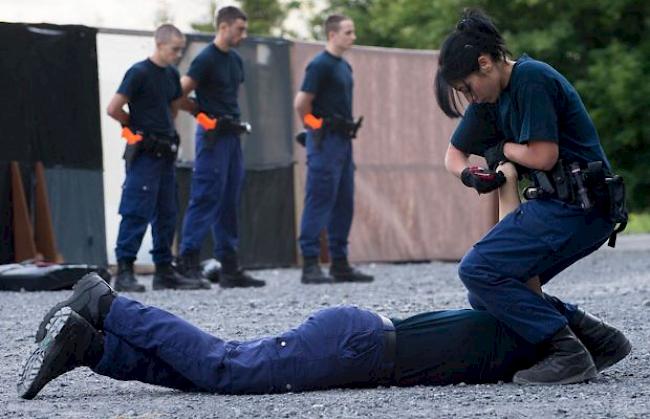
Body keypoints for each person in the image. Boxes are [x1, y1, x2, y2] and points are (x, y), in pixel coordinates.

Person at [19, 273, 630, 399]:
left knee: (205, 378)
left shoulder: (518, 318)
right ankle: (108, 305)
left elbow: (599, 341)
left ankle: (91, 347)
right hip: (357, 348)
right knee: (224, 366)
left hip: (358, 341)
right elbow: (595, 342)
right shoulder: (525, 327)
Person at [435, 9, 630, 385]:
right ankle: (599, 340)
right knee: (488, 293)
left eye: (467, 87)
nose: (468, 98)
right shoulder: (489, 101)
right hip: (559, 205)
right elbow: (452, 155)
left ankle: (567, 354)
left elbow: (543, 156)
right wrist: (469, 174)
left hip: (581, 206)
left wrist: (502, 149)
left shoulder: (531, 78)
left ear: (485, 63)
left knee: (478, 269)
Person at [106, 24, 207, 292]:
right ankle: (125, 270)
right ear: (159, 44)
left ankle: (164, 270)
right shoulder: (138, 72)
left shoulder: (172, 75)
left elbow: (173, 108)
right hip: (145, 155)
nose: (178, 54)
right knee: (136, 210)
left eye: (180, 49)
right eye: (175, 49)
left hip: (166, 155)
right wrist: (136, 127)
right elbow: (114, 108)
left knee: (167, 212)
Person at [174, 6, 264, 289]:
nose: (243, 35)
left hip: (232, 138)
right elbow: (177, 94)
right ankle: (187, 262)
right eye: (240, 29)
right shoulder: (205, 59)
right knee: (206, 196)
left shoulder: (235, 61)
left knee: (229, 199)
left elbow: (229, 96)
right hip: (212, 139)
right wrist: (202, 116)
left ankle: (229, 267)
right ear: (223, 27)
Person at [293, 14, 374, 284]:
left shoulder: (344, 66)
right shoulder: (319, 65)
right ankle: (310, 265)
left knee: (343, 202)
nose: (353, 37)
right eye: (348, 32)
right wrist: (315, 128)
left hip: (343, 143)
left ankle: (340, 264)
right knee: (319, 201)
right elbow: (301, 104)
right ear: (332, 35)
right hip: (325, 142)